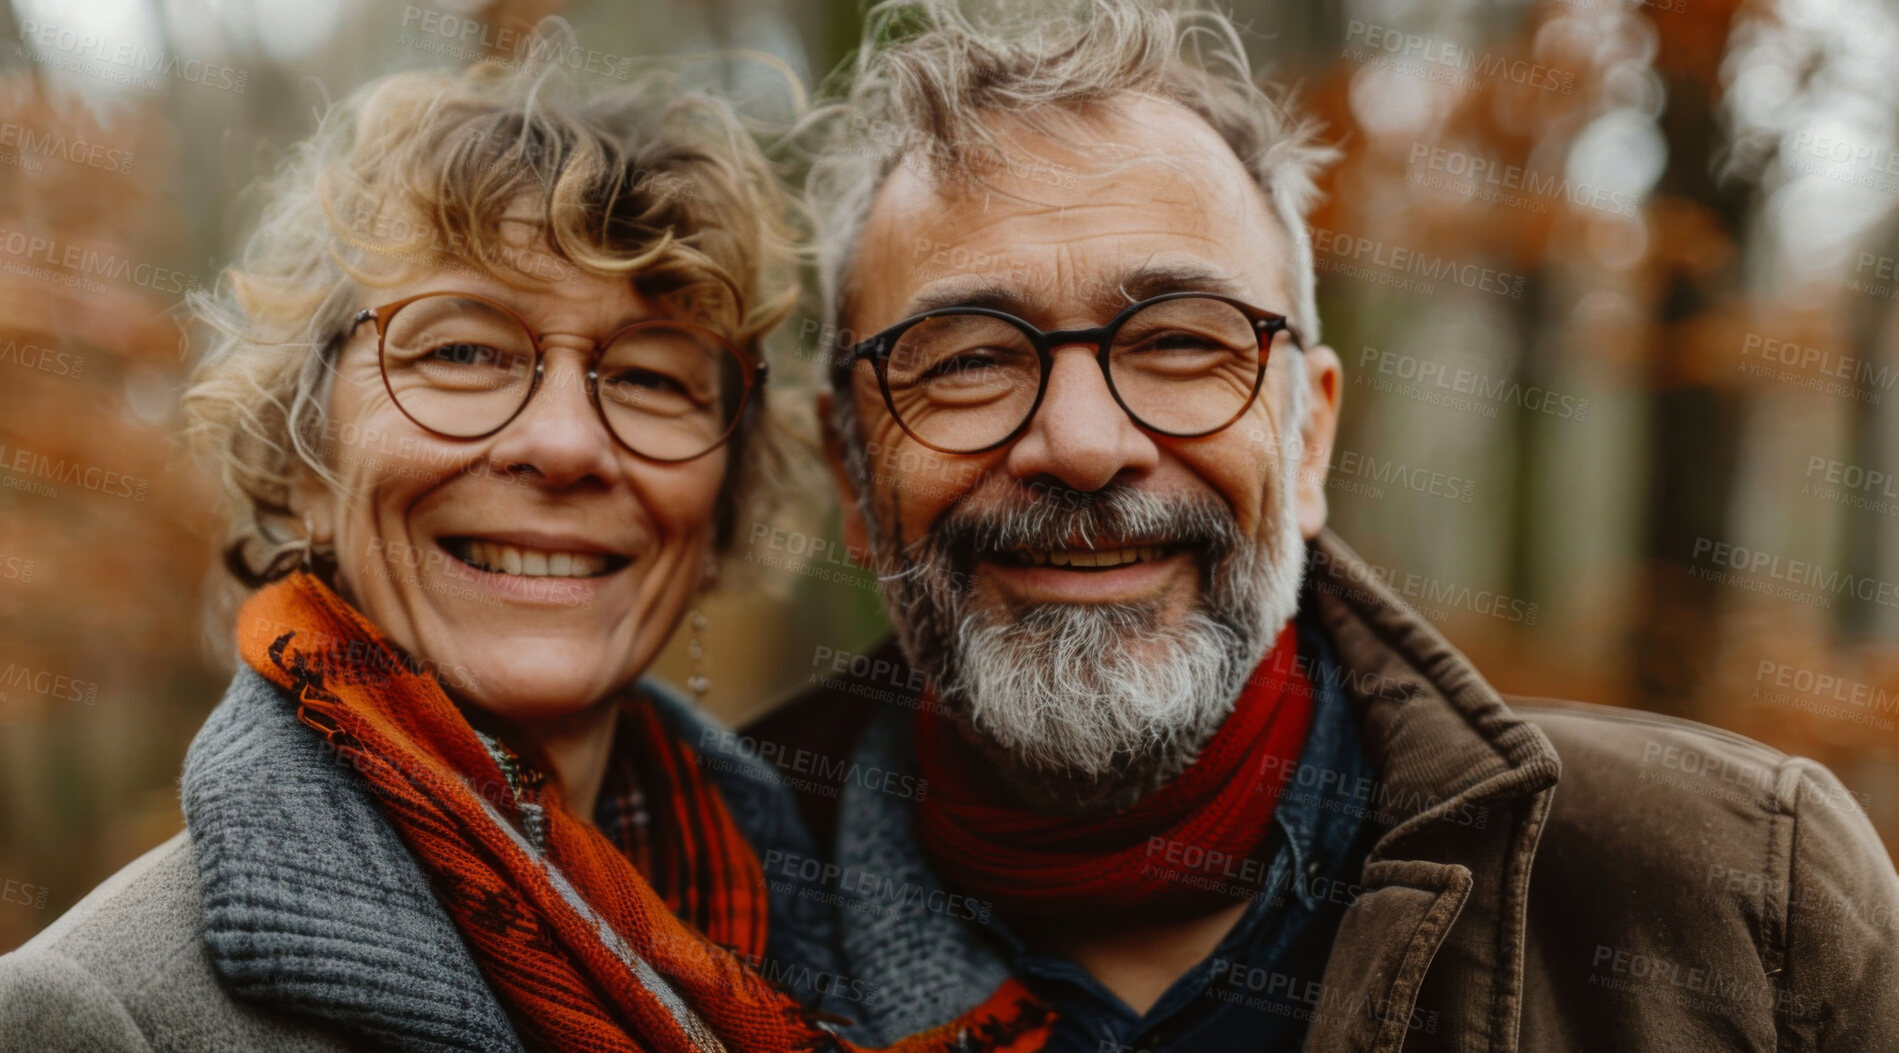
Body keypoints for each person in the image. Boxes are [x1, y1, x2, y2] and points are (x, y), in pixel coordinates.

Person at [748, 1, 1899, 1050]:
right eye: (971, 360)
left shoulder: (1743, 909)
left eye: (1182, 341)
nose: (1086, 444)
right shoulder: (652, 910)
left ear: (1306, 443)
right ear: (852, 470)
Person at [0, 47, 1049, 1053]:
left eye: (649, 375)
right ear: (305, 462)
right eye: (463, 351)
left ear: (719, 505)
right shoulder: (96, 1019)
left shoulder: (879, 933)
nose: (563, 444)